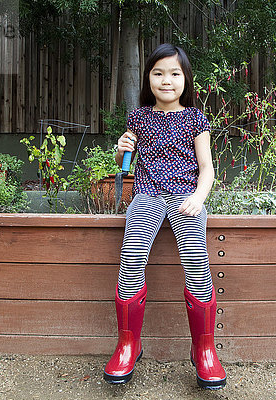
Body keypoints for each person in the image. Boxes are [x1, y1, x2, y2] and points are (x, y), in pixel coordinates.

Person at [103, 43, 226, 390]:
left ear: (185, 79)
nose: (166, 80)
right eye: (158, 73)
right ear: (149, 78)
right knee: (131, 259)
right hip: (148, 196)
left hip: (186, 198)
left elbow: (207, 169)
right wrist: (120, 151)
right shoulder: (138, 117)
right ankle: (129, 344)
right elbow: (123, 166)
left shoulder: (195, 118)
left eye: (174, 73)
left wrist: (199, 198)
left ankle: (204, 349)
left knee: (196, 263)